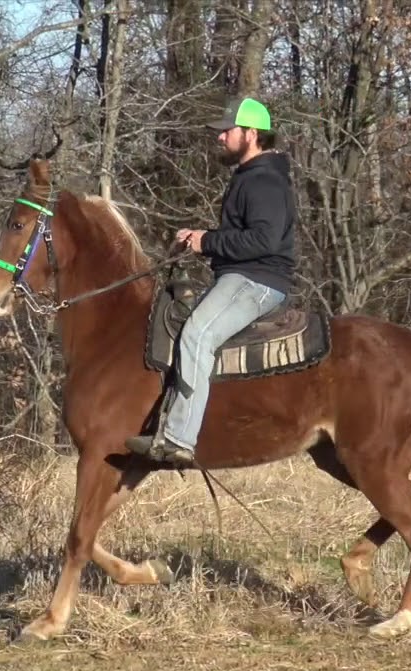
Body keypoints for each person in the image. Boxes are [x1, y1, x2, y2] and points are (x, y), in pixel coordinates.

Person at [125, 97, 297, 465]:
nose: (220, 137)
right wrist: (202, 239)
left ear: (251, 134)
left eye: (227, 130)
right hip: (244, 276)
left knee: (197, 335)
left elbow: (264, 240)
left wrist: (208, 241)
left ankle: (179, 439)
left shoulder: (264, 180)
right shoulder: (251, 176)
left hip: (257, 281)